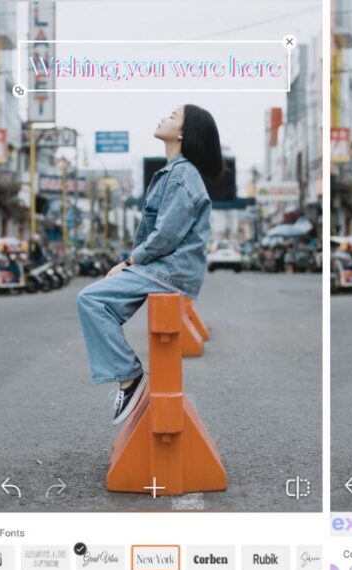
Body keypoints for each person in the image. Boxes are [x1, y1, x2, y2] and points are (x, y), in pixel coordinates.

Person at [77, 104, 222, 425]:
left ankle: (129, 377)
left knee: (91, 298)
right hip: (165, 270)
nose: (163, 118)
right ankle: (127, 375)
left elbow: (166, 235)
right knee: (102, 305)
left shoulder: (183, 174)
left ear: (184, 133)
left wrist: (128, 262)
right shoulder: (174, 171)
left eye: (172, 116)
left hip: (168, 270)